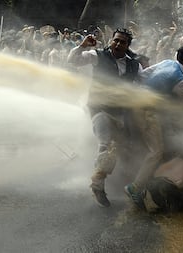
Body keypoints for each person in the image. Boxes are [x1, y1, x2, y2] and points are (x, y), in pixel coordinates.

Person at [67, 28, 142, 207]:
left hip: (121, 112)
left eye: (122, 42)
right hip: (99, 107)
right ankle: (97, 185)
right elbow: (73, 61)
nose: (117, 44)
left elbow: (142, 85)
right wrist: (82, 45)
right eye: (115, 40)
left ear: (127, 46)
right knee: (105, 143)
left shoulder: (134, 65)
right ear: (111, 41)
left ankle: (124, 182)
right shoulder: (97, 55)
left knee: (119, 147)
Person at [124, 45, 183, 209]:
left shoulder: (166, 62)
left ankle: (141, 181)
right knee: (156, 151)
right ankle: (134, 188)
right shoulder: (181, 81)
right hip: (147, 111)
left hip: (136, 103)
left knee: (148, 147)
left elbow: (143, 75)